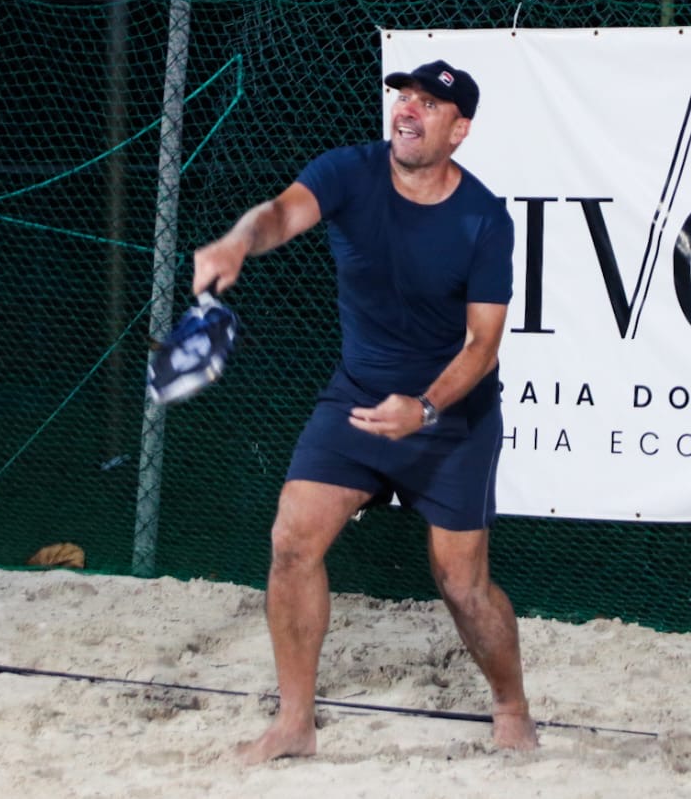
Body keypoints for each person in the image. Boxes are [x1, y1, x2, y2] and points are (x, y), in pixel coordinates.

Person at [191, 60, 538, 763]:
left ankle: (511, 703)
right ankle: (295, 723)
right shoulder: (348, 171)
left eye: (429, 103)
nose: (408, 109)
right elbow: (283, 213)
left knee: (462, 584)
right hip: (356, 397)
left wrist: (429, 408)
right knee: (292, 540)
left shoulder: (486, 218)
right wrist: (238, 238)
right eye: (404, 97)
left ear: (460, 129)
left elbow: (484, 345)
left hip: (451, 415)